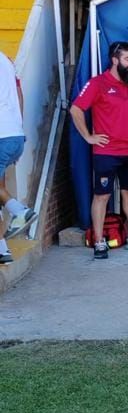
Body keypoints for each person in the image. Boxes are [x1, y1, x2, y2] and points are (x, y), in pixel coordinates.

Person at [70, 42, 128, 259]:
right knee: (102, 196)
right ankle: (99, 241)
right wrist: (88, 137)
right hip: (106, 152)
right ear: (115, 60)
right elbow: (76, 109)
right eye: (127, 59)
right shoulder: (98, 83)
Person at [0, 51, 37, 264]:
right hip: (14, 134)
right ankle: (2, 250)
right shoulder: (5, 60)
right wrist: (18, 129)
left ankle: (19, 211)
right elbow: (19, 93)